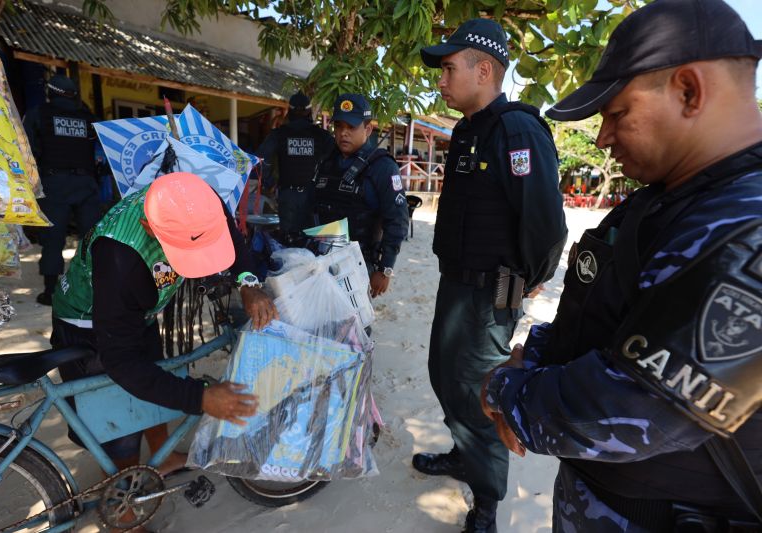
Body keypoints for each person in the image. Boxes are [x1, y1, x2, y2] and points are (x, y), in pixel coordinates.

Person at [483, 0, 762, 531]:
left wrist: (507, 393)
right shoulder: (665, 199)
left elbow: (644, 405)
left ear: (689, 91)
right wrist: (534, 353)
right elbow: (609, 319)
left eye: (617, 113)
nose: (604, 138)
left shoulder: (748, 222)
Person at [413, 18, 567, 533]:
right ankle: (465, 455)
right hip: (457, 285)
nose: (440, 78)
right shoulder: (468, 129)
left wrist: (531, 278)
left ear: (484, 69)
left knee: (478, 391)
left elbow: (545, 223)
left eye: (448, 68)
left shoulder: (516, 129)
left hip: (489, 297)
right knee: (443, 374)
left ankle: (487, 503)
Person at [50, 172, 278, 512]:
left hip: (139, 311)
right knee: (121, 426)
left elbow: (232, 239)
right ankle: (126, 509)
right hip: (90, 324)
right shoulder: (118, 257)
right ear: (147, 225)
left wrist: (247, 282)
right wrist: (200, 398)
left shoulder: (201, 201)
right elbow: (122, 363)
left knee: (157, 378)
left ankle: (165, 455)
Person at [313, 93, 409, 298]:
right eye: (338, 127)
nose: (343, 133)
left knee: (354, 326)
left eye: (351, 127)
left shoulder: (382, 167)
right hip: (321, 258)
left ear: (368, 129)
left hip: (358, 264)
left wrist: (385, 269)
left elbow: (398, 220)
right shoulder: (327, 162)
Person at [23, 74, 102, 306]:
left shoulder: (39, 114)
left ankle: (50, 292)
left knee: (53, 238)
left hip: (54, 183)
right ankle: (92, 287)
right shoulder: (88, 117)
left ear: (50, 92)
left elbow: (28, 148)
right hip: (87, 184)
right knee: (90, 238)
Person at [255, 92, 335, 235]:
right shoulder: (322, 136)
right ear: (309, 111)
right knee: (312, 239)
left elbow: (260, 159)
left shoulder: (279, 134)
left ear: (290, 112)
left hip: (288, 196)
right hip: (314, 194)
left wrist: (270, 183)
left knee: (289, 240)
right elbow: (336, 160)